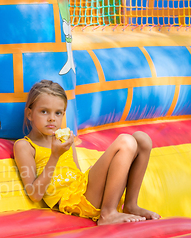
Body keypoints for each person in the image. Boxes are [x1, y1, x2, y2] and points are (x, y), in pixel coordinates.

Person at [14, 79, 160, 225]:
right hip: (71, 198)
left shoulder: (64, 141)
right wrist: (54, 156)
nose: (52, 118)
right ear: (29, 114)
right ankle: (108, 214)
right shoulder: (25, 146)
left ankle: (130, 205)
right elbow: (35, 194)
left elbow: (78, 174)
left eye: (58, 113)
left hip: (85, 190)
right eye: (44, 111)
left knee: (143, 139)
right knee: (125, 141)